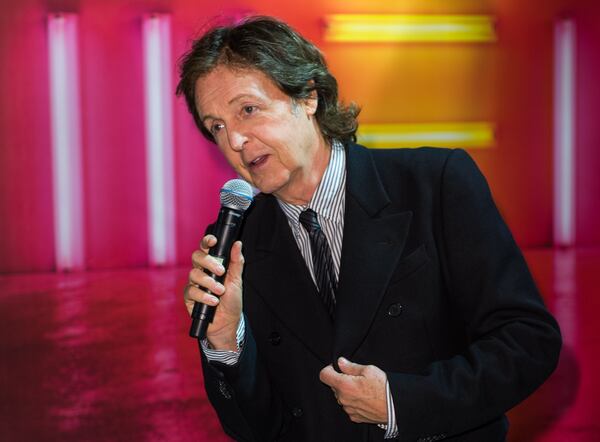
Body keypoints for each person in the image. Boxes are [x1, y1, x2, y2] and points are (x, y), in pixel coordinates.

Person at [177, 16, 561, 442]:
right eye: (217, 127)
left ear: (309, 97)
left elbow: (528, 341)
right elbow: (257, 429)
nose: (234, 142)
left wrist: (402, 402)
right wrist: (227, 342)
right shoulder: (237, 243)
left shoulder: (435, 183)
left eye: (247, 110)